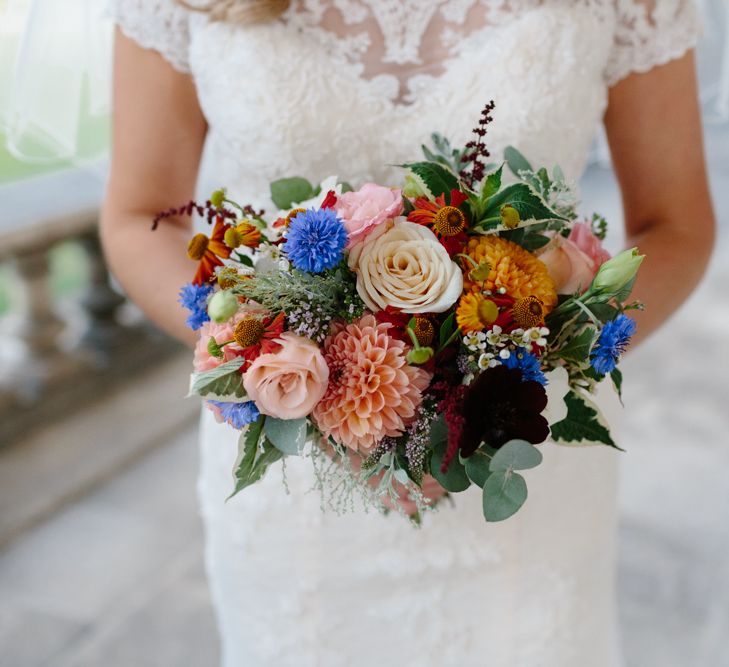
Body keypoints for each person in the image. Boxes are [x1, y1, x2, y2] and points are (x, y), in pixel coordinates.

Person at [100, 1, 716, 665]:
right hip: (296, 479)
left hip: (523, 458)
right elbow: (140, 216)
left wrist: (547, 351)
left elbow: (674, 223)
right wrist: (271, 360)